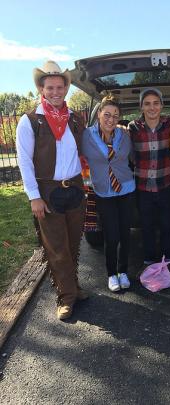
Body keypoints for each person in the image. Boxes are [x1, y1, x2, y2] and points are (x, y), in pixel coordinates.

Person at [16, 61, 87, 320]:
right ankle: (66, 296)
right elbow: (23, 160)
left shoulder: (74, 119)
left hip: (75, 188)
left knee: (72, 242)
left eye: (60, 87)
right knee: (56, 246)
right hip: (47, 190)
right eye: (50, 87)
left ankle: (73, 286)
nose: (56, 91)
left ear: (66, 88)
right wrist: (34, 196)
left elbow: (85, 149)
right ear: (42, 89)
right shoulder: (30, 121)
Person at [82, 95, 135, 292]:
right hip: (104, 192)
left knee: (125, 233)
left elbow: (134, 158)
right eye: (107, 115)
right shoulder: (86, 136)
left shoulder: (124, 135)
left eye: (115, 115)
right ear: (98, 116)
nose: (111, 119)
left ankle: (123, 272)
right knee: (111, 235)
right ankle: (112, 274)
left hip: (126, 189)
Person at [128, 88, 170, 272]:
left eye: (156, 103)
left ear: (161, 105)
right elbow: (130, 155)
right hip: (143, 187)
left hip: (166, 184)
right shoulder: (133, 127)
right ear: (141, 106)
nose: (152, 107)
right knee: (146, 226)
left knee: (166, 224)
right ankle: (148, 259)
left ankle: (167, 258)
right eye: (147, 103)